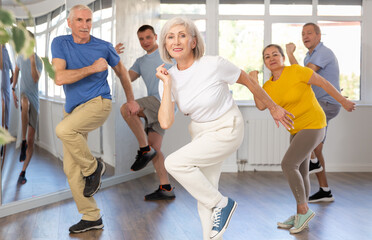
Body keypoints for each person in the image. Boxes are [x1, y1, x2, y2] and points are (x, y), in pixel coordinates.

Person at [156, 17, 294, 240]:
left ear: (193, 42)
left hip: (226, 127)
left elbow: (249, 81)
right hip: (200, 133)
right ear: (165, 44)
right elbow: (165, 122)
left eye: (182, 35)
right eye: (170, 37)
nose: (176, 41)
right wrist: (167, 84)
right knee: (205, 191)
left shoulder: (213, 64)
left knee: (174, 163)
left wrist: (273, 107)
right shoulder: (168, 77)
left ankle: (223, 203)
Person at [52, 5, 139, 233]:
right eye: (79, 20)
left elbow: (122, 73)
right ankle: (92, 216)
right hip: (73, 109)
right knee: (71, 169)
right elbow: (59, 77)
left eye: (88, 20)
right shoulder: (60, 43)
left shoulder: (104, 47)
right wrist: (92, 68)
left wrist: (131, 101)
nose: (84, 25)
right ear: (69, 23)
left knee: (63, 130)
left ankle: (93, 168)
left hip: (98, 102)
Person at [257, 44, 355, 234]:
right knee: (301, 171)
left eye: (275, 54)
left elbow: (324, 83)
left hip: (314, 124)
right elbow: (261, 105)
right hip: (296, 129)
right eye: (267, 56)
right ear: (265, 63)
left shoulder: (296, 71)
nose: (271, 58)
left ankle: (303, 210)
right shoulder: (268, 85)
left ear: (283, 57)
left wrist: (343, 101)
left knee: (288, 164)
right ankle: (300, 214)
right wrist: (253, 82)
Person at [115, 25, 175, 201]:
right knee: (156, 149)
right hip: (157, 108)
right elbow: (125, 77)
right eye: (141, 39)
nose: (145, 42)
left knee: (127, 108)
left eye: (148, 37)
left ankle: (144, 150)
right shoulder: (141, 62)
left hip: (162, 101)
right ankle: (166, 187)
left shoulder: (167, 53)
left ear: (156, 37)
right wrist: (114, 59)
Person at [286, 22, 342, 203]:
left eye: (309, 33)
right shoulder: (308, 57)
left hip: (326, 104)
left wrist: (289, 54)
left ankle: (313, 161)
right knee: (317, 148)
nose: (305, 36)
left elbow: (306, 75)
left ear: (319, 35)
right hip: (320, 104)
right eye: (303, 33)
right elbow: (300, 75)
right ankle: (325, 190)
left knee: (304, 130)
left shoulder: (323, 53)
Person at [12, 32, 43, 184]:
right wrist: (13, 89)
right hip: (24, 96)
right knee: (25, 102)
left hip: (35, 101)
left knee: (32, 140)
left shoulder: (38, 61)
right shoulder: (19, 57)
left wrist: (32, 61)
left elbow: (36, 79)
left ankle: (23, 172)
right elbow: (16, 71)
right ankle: (22, 141)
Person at [0, 44, 13, 169]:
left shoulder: (5, 50)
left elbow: (11, 69)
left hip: (6, 86)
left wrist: (12, 77)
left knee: (6, 112)